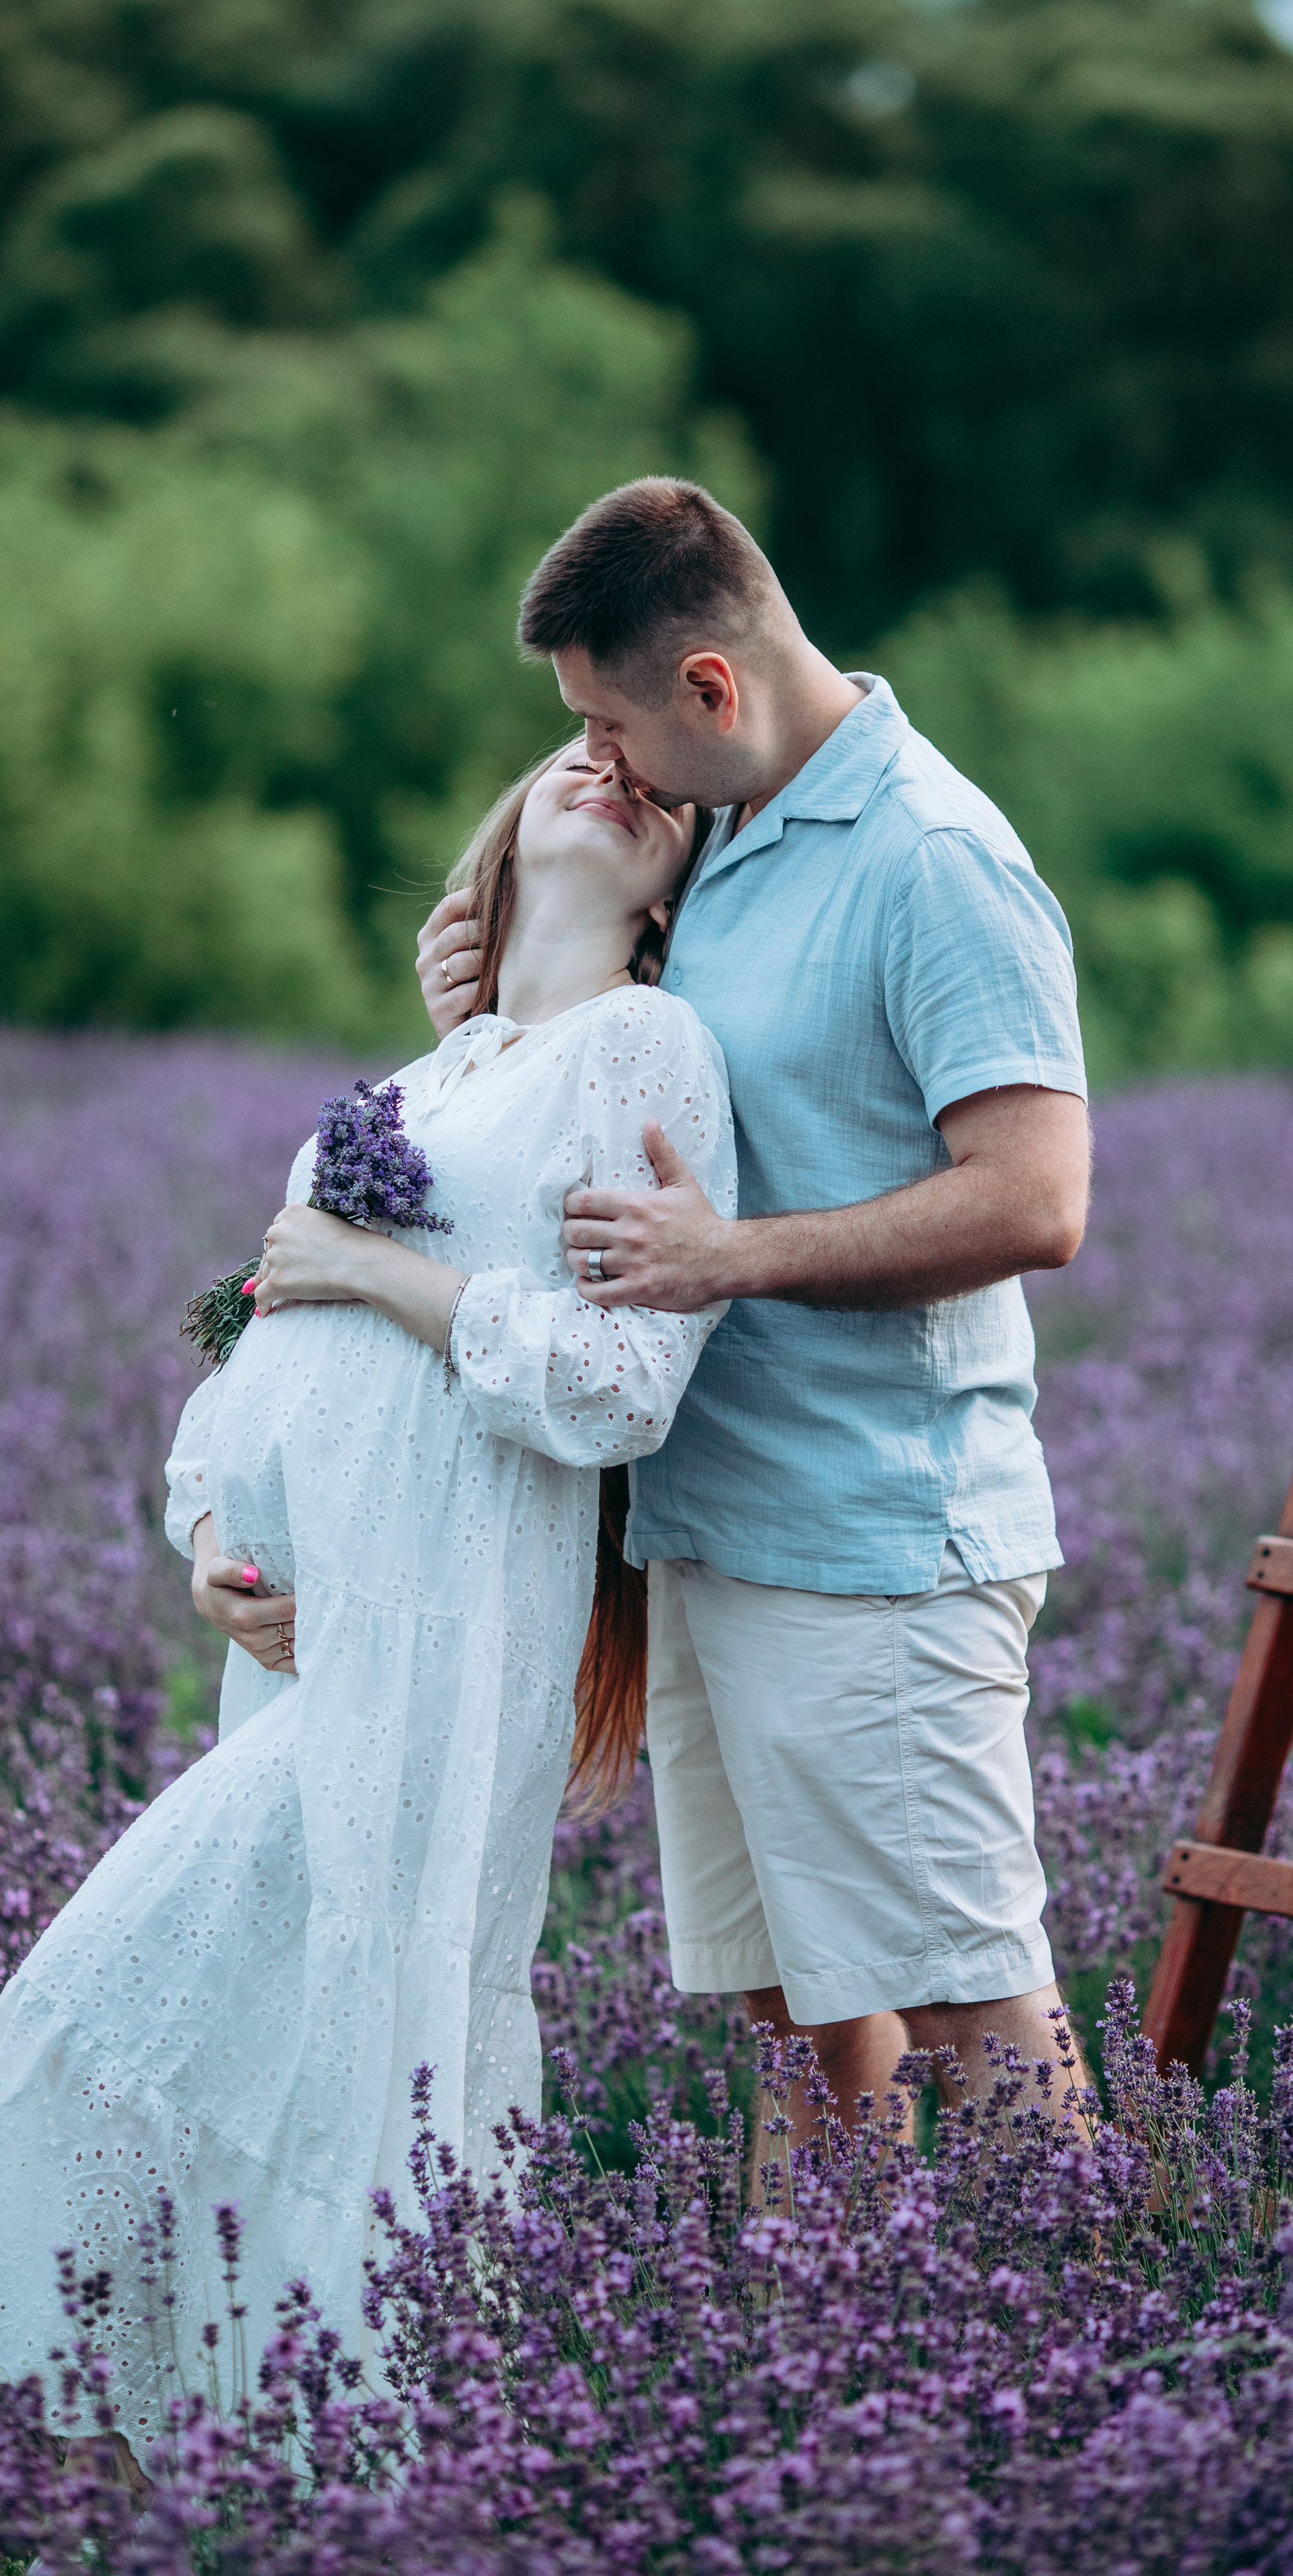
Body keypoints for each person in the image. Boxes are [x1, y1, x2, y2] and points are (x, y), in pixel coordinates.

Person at [0, 743, 735, 2481]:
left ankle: (328, 2482)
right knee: (287, 2060)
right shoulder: (399, 1091)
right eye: (575, 750)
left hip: (444, 1651)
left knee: (166, 2015)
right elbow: (248, 1386)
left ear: (670, 902)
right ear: (495, 840)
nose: (610, 771)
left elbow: (621, 1381)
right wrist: (206, 1535)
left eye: (657, 782)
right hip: (299, 1657)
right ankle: (220, 2489)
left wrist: (373, 1269)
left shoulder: (645, 1049)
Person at [419, 478, 1094, 2173]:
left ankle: (1112, 2378)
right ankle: (815, 2404)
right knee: (798, 2017)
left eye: (606, 720)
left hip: (872, 1534)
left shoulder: (935, 860)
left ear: (708, 687)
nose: (600, 761)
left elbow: (1034, 1200)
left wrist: (729, 1258)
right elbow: (654, 1109)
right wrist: (497, 1015)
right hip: (713, 1532)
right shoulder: (715, 826)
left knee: (969, 2009)